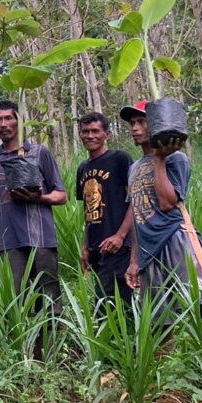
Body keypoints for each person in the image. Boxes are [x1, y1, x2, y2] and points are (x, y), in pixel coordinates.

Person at [120, 100, 202, 352]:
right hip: (148, 251)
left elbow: (166, 203)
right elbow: (137, 213)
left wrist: (159, 159)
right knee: (159, 316)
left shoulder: (177, 159)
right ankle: (166, 382)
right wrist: (134, 260)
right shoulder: (134, 168)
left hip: (176, 239)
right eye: (132, 123)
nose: (135, 128)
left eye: (141, 122)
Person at [0, 100, 67, 358]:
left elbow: (61, 195)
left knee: (48, 297)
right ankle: (22, 356)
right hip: (9, 242)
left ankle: (49, 355)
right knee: (15, 300)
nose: (3, 124)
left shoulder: (39, 154)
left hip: (41, 238)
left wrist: (38, 198)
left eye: (8, 118)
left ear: (19, 120)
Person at [75, 112, 135, 308]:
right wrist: (85, 246)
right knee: (104, 300)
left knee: (112, 305)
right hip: (96, 248)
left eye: (95, 131)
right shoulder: (82, 168)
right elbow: (88, 211)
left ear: (107, 135)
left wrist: (120, 235)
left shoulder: (120, 159)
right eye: (85, 131)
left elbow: (135, 200)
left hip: (118, 246)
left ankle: (124, 338)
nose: (90, 136)